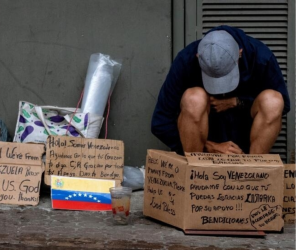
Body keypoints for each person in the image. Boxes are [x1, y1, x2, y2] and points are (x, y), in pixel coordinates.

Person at [151, 25, 290, 155]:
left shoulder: (261, 57)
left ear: (239, 53)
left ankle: (251, 172)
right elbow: (161, 122)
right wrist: (210, 147)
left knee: (273, 101)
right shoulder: (186, 59)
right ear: (198, 57)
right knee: (194, 98)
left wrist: (237, 102)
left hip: (247, 145)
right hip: (203, 148)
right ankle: (196, 174)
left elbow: (282, 106)